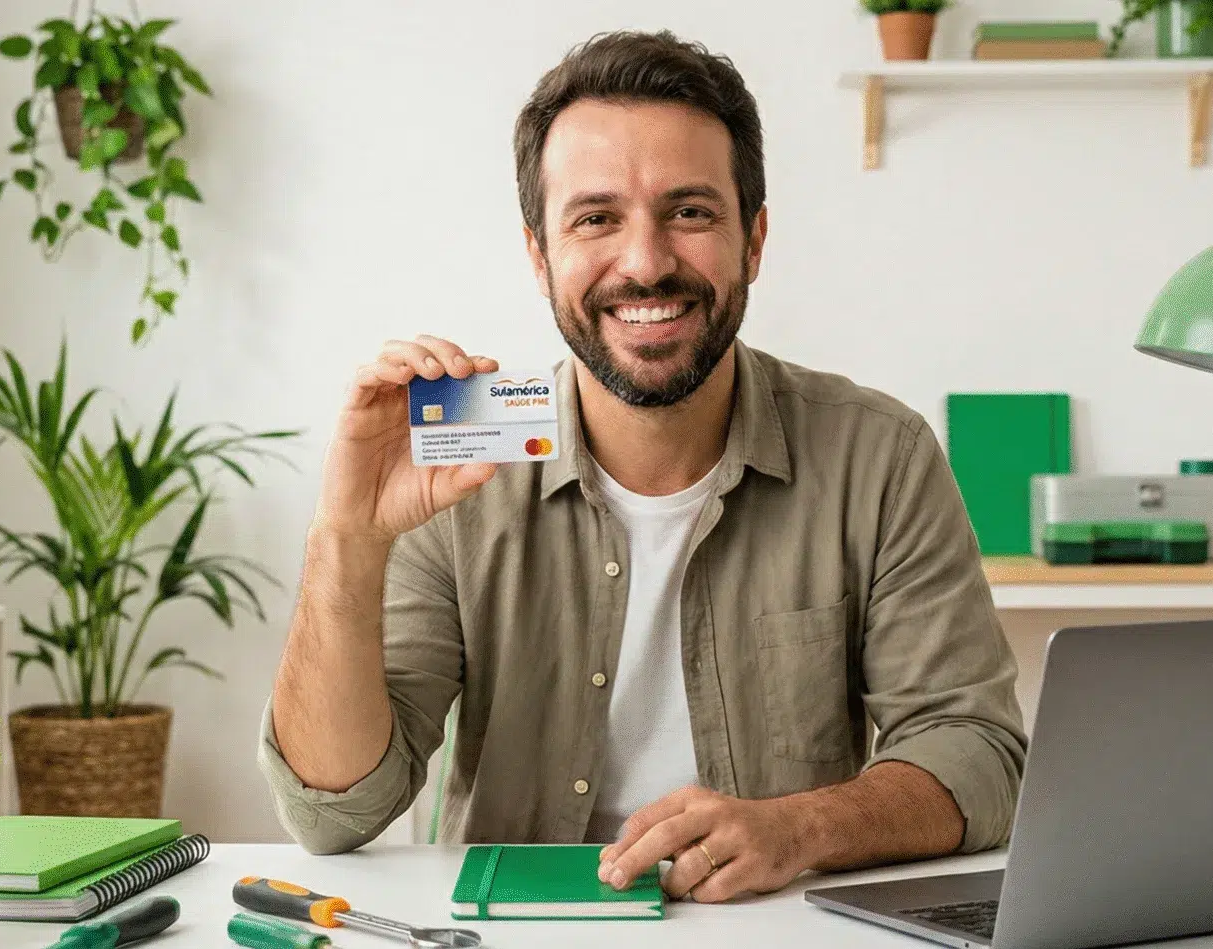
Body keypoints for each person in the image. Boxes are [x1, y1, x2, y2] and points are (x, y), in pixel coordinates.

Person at [263, 29, 1026, 904]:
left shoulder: (879, 456)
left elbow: (977, 753)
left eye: (690, 211)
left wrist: (799, 826)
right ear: (540, 257)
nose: (646, 262)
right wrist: (346, 536)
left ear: (754, 240)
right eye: (596, 218)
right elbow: (330, 814)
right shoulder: (459, 472)